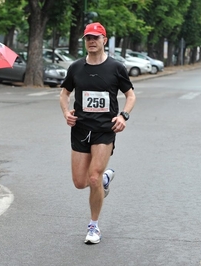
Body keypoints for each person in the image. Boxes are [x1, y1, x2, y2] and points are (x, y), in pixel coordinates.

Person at [59, 22, 136, 244]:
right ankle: (103, 180)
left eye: (96, 37)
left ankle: (94, 227)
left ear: (104, 39)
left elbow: (130, 96)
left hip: (104, 129)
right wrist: (66, 113)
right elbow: (64, 94)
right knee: (80, 182)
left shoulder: (116, 67)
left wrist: (123, 116)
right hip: (80, 128)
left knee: (92, 177)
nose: (91, 41)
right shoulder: (75, 68)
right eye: (87, 38)